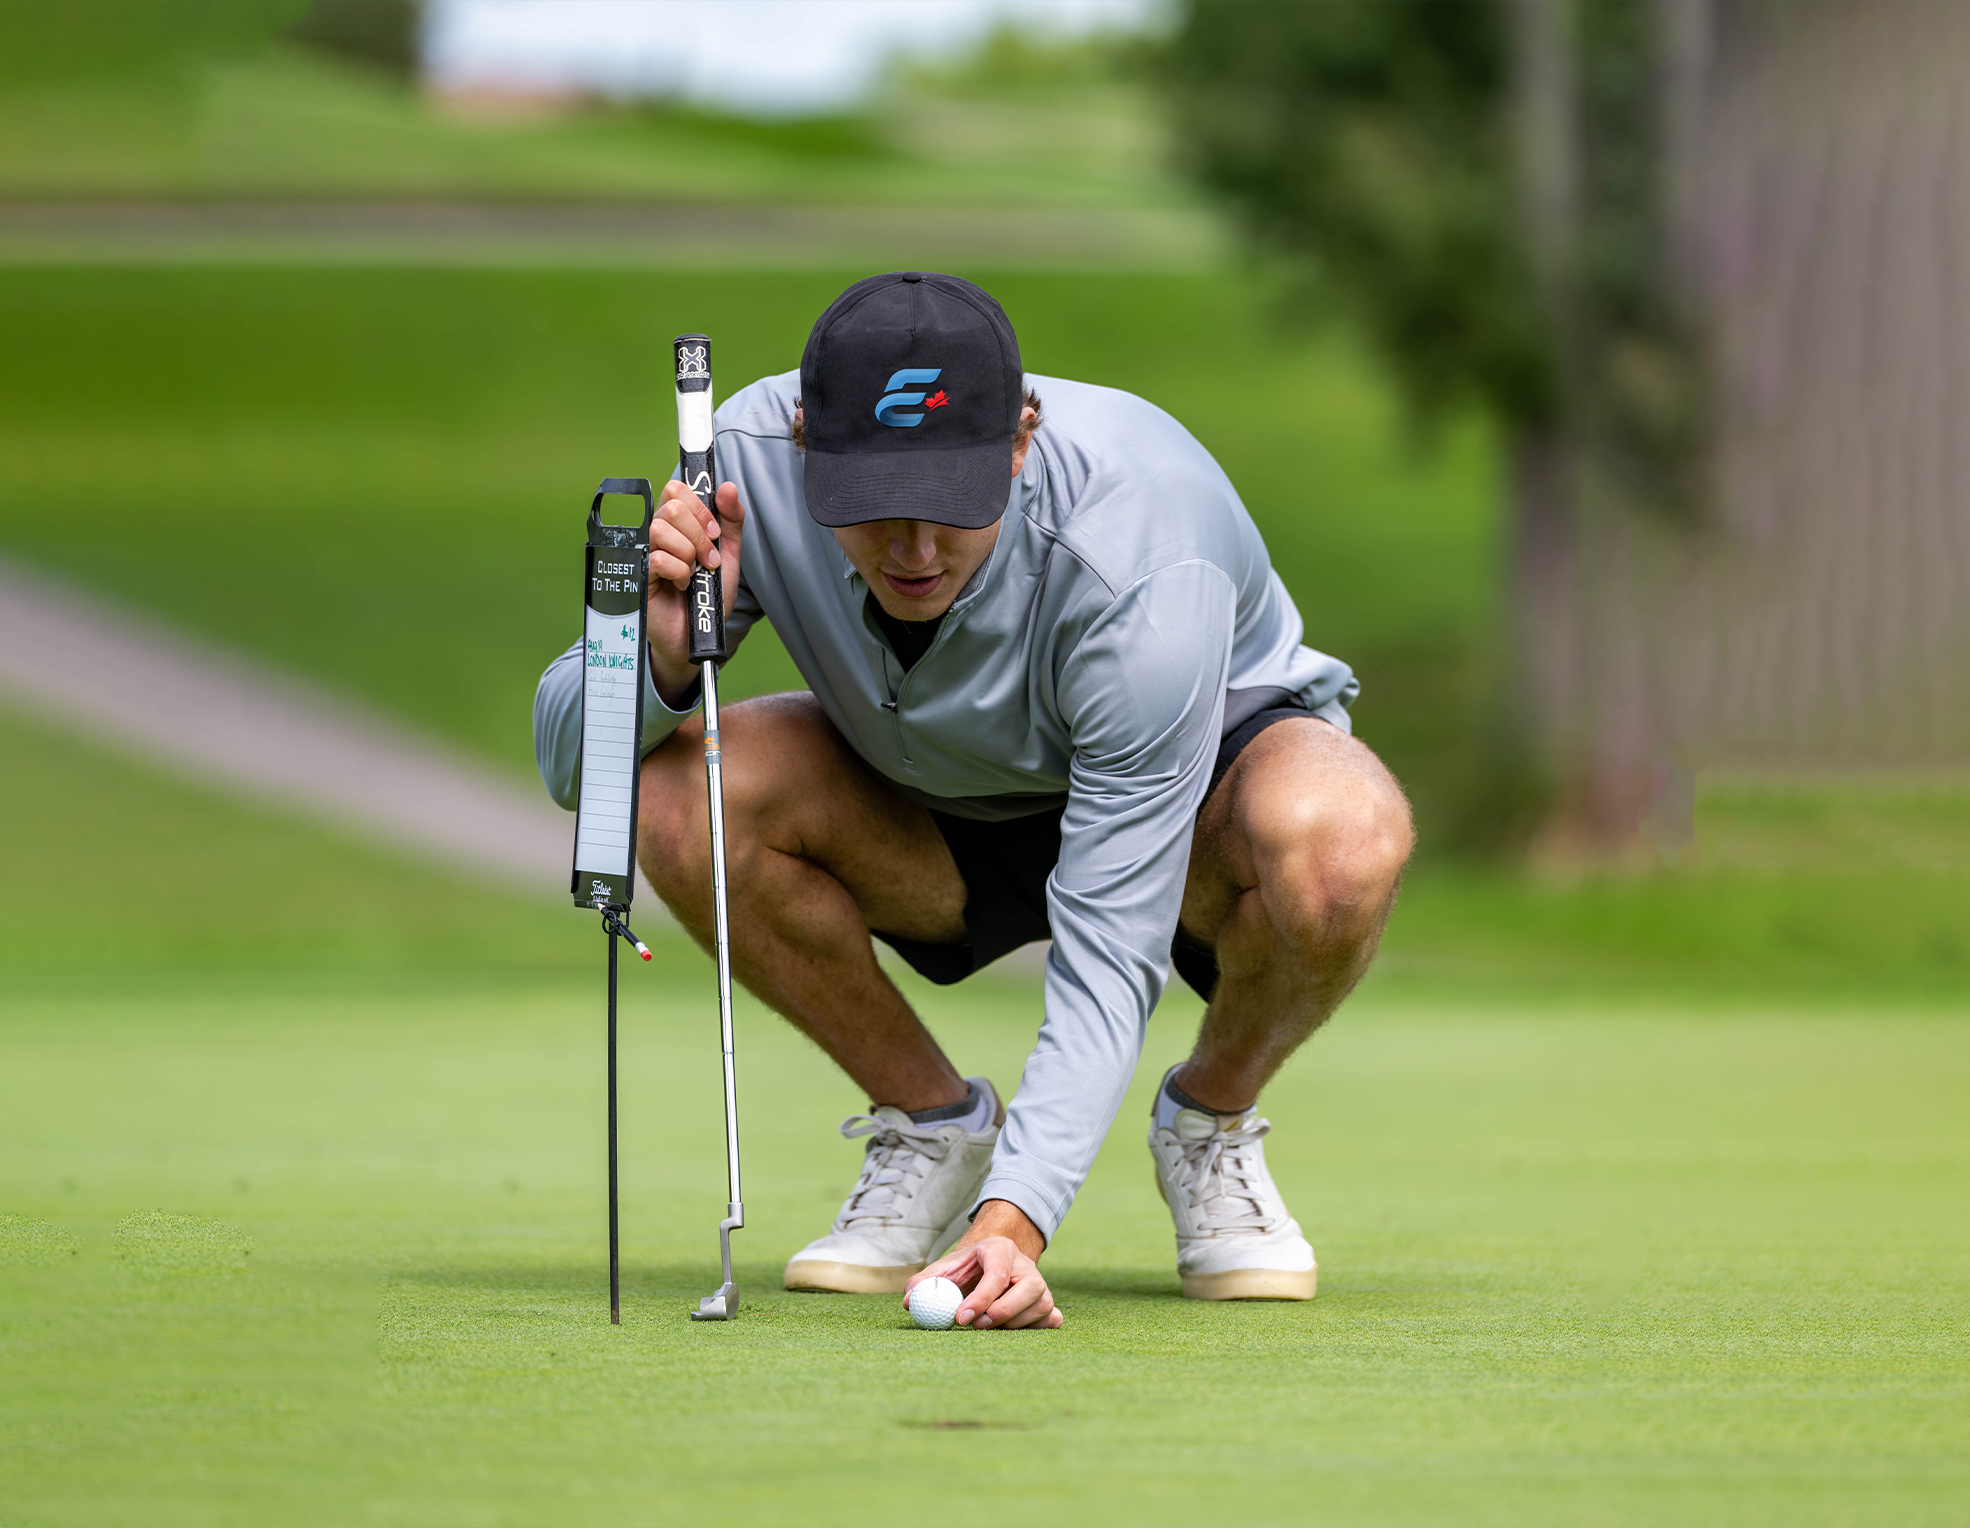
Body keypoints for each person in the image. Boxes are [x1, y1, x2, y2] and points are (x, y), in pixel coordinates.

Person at [535, 272, 1412, 1332]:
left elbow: (1107, 946)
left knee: (1339, 839)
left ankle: (1208, 1121)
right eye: (873, 510)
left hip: (1195, 803)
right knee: (681, 792)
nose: (913, 550)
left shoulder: (1139, 543)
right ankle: (932, 1121)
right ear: (805, 442)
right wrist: (663, 654)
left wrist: (1014, 1223)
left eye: (953, 504)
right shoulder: (738, 469)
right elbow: (575, 768)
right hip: (920, 794)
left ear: (1019, 440)